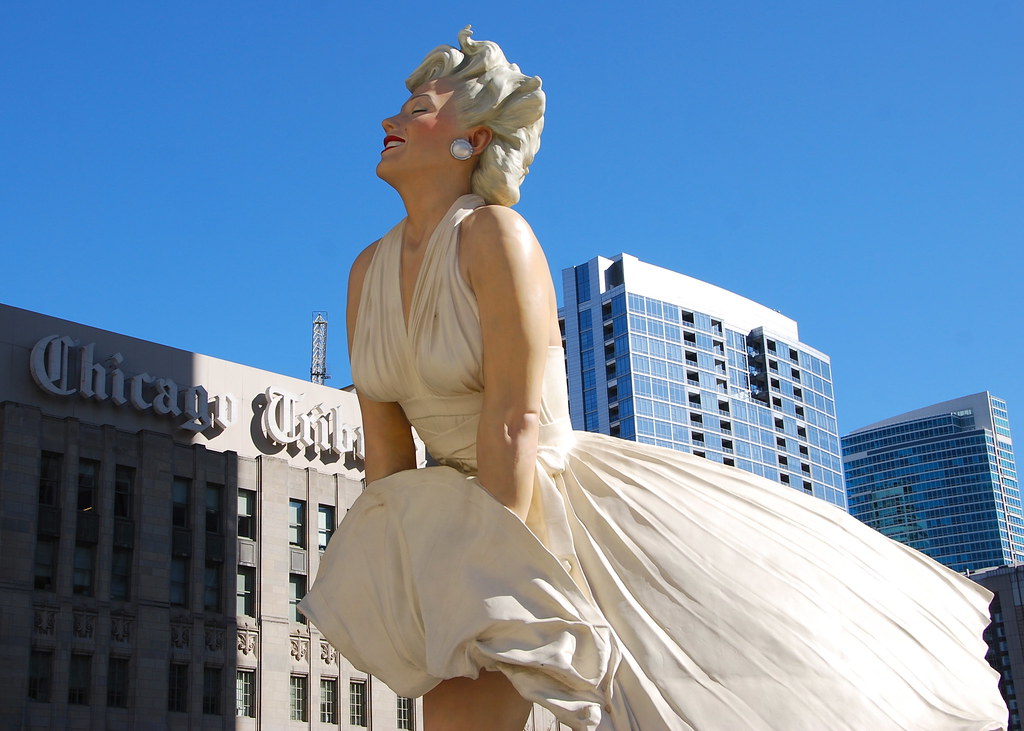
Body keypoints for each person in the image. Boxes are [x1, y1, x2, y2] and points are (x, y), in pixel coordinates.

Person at [300, 27, 1006, 731]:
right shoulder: (366, 271)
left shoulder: (495, 236)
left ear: (474, 139)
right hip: (450, 514)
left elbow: (514, 421)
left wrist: (494, 564)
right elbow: (386, 455)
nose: (391, 122)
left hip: (533, 500)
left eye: (418, 111)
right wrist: (399, 575)